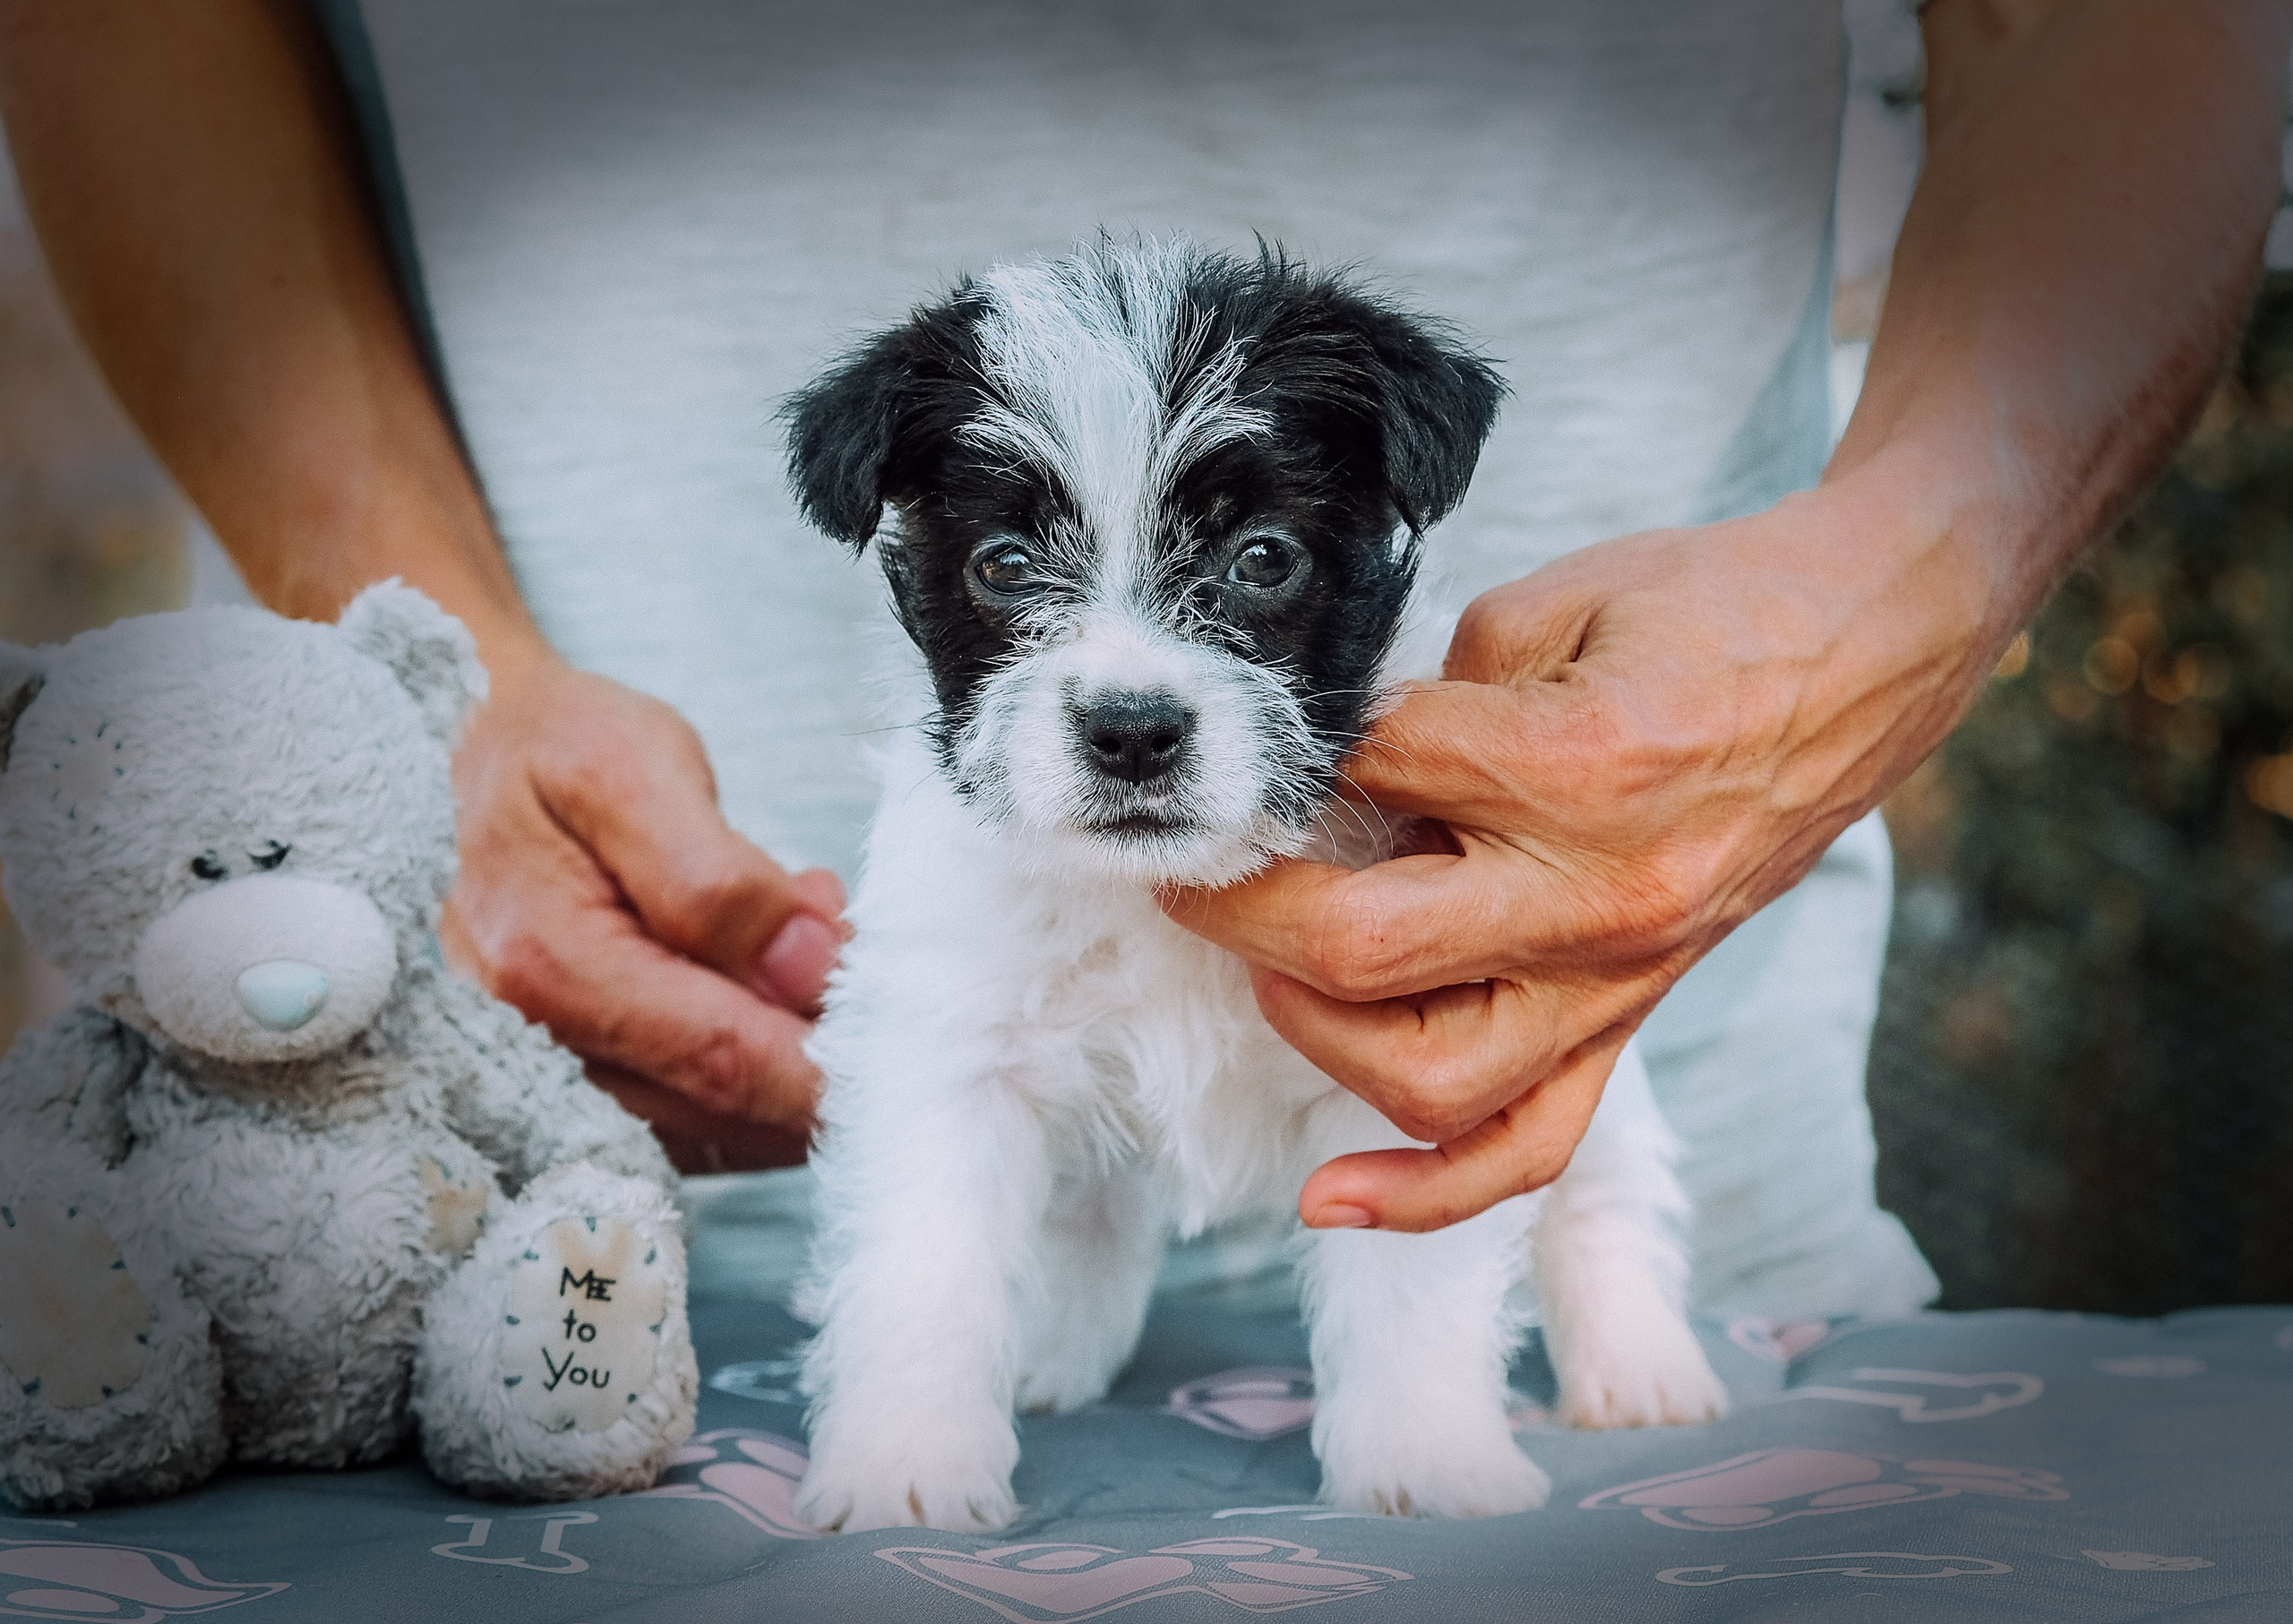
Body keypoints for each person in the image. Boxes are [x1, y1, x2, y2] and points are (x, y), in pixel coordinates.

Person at [2, 0, 2284, 1313]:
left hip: (1653, 1151)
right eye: (1004, 575)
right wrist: (423, 672)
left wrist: (1899, 577)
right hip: (490, 1241)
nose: (1120, 666)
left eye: (1255, 568)